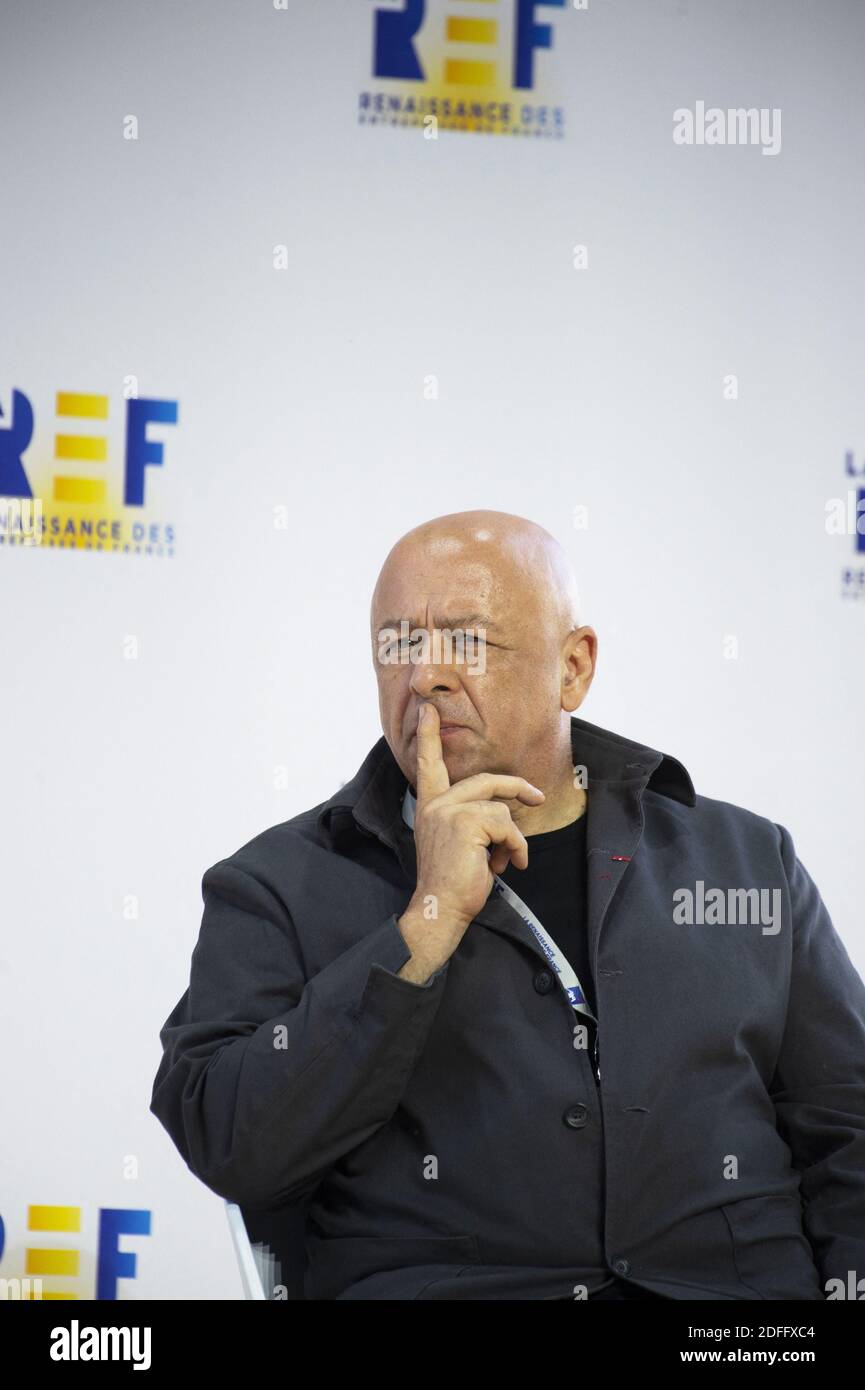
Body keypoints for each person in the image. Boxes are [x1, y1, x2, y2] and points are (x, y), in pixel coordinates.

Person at [150, 509, 865, 1300]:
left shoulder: (742, 860)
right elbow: (230, 1144)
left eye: (467, 640)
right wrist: (424, 926)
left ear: (573, 668)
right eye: (397, 644)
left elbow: (849, 1129)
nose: (424, 675)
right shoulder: (278, 884)